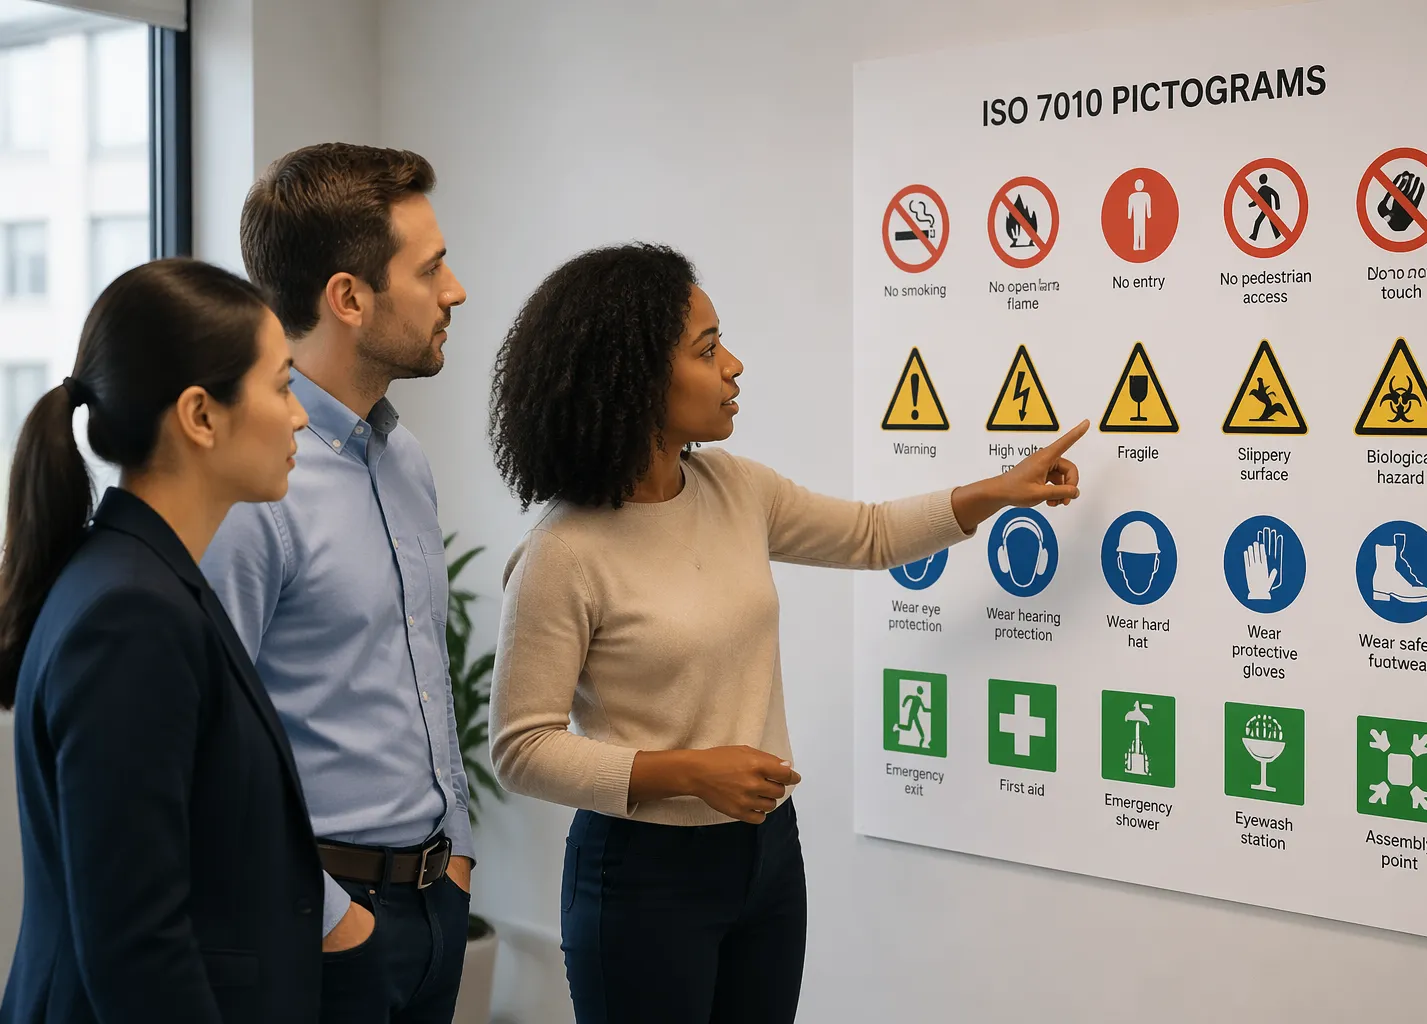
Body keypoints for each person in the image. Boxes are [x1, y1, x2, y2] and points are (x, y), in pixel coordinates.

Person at [486, 243, 1088, 1024]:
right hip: (642, 875)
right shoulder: (562, 553)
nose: (733, 365)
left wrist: (998, 493)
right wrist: (690, 771)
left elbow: (870, 534)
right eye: (707, 350)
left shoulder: (734, 487)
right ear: (631, 378)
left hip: (767, 855)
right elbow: (522, 747)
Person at [0, 259, 317, 1022]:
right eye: (281, 386)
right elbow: (135, 943)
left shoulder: (140, 578)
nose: (300, 415)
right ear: (201, 416)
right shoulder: (131, 614)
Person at [201, 143, 473, 1023]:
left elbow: (421, 675)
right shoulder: (253, 491)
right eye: (430, 268)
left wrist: (457, 855)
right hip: (325, 924)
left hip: (435, 906)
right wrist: (335, 922)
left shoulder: (405, 458)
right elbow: (210, 746)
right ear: (349, 298)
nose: (455, 290)